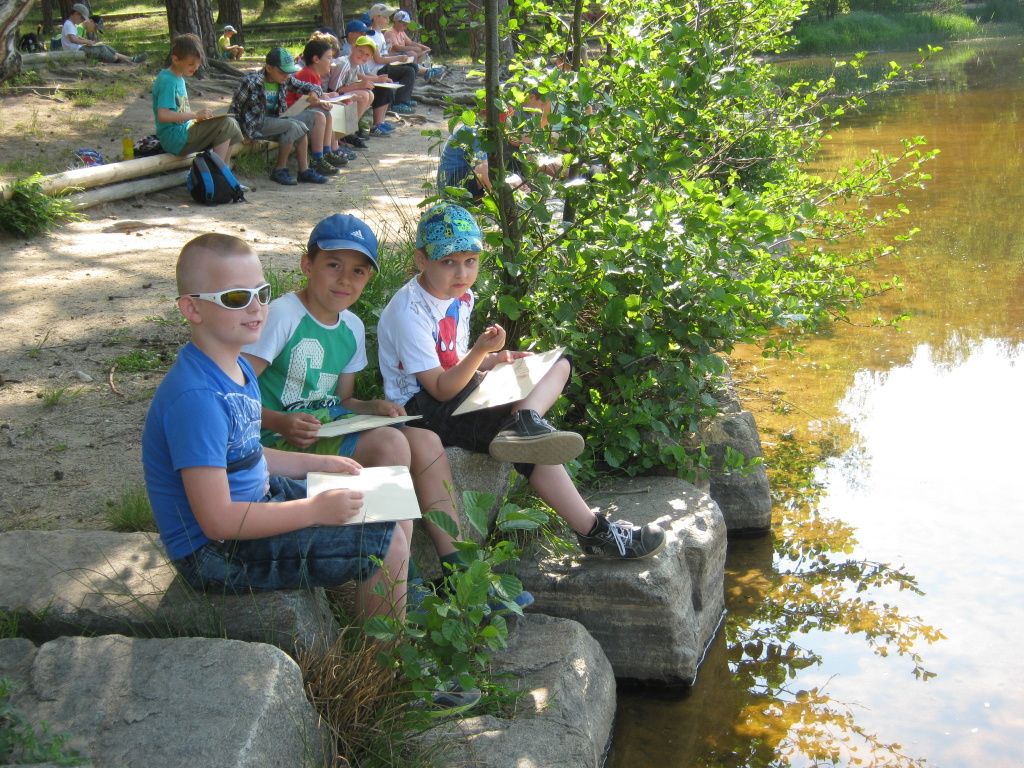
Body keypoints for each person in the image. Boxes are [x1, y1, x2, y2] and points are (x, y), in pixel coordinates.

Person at [141, 233, 411, 622]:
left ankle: (389, 604)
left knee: (391, 498)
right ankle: (387, 655)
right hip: (219, 552)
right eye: (236, 298)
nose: (255, 308)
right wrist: (314, 510)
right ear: (192, 308)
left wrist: (317, 464)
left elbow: (246, 453)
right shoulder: (196, 398)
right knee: (387, 543)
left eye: (262, 293)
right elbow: (218, 520)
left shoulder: (235, 368)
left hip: (256, 503)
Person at [377, 203, 667, 560]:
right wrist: (481, 352)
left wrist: (497, 359)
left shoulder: (459, 296)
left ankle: (526, 421)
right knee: (529, 443)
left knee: (557, 363)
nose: (462, 272)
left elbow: (452, 358)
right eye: (448, 262)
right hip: (423, 408)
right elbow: (439, 387)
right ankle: (594, 531)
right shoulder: (409, 311)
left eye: (471, 261)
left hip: (456, 389)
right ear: (422, 260)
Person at [240, 213, 473, 580]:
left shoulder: (351, 325)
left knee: (426, 441)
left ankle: (458, 568)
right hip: (277, 438)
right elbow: (234, 393)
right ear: (307, 265)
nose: (345, 279)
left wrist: (372, 407)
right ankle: (401, 576)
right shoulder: (282, 316)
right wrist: (279, 421)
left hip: (326, 427)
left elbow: (343, 400)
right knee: (390, 446)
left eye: (359, 271)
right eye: (333, 265)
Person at [229, 47, 330, 185]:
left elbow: (313, 87)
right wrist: (242, 133)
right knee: (294, 126)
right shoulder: (251, 82)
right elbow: (235, 108)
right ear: (269, 68)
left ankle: (304, 170)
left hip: (276, 121)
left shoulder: (285, 80)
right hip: (255, 125)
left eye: (288, 72)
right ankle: (279, 169)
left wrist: (314, 93)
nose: (286, 76)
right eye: (282, 72)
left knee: (306, 122)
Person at [152, 34, 244, 165]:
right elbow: (163, 115)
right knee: (226, 124)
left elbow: (180, 112)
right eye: (190, 64)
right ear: (175, 59)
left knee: (232, 124)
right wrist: (195, 115)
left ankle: (224, 170)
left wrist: (198, 119)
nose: (195, 68)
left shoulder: (179, 78)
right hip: (174, 139)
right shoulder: (168, 81)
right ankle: (217, 171)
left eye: (198, 64)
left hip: (184, 132)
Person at [283, 38, 347, 176]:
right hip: (291, 112)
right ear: (316, 59)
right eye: (328, 57)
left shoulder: (314, 74)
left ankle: (327, 151)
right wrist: (321, 101)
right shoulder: (307, 74)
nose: (331, 61)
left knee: (329, 111)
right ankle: (318, 157)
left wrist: (327, 96)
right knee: (321, 114)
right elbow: (305, 100)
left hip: (299, 111)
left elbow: (314, 96)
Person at [364, 3, 419, 114]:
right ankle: (399, 102)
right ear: (376, 17)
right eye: (385, 17)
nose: (388, 20)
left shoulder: (380, 34)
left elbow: (385, 55)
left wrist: (399, 58)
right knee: (408, 71)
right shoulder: (371, 36)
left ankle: (404, 98)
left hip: (382, 66)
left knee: (413, 66)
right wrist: (397, 58)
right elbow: (378, 59)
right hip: (376, 70)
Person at [61, 3, 144, 64]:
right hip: (75, 50)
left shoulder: (72, 25)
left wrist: (88, 41)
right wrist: (87, 42)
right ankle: (122, 60)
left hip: (78, 48)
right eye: (82, 18)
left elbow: (77, 37)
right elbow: (73, 39)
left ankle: (128, 59)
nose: (83, 21)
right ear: (76, 14)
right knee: (102, 49)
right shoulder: (69, 24)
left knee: (104, 47)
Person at [384, 9, 445, 81]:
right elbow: (396, 48)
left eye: (406, 25)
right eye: (404, 24)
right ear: (397, 22)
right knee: (412, 53)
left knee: (422, 52)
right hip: (393, 58)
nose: (406, 27)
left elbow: (410, 42)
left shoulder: (401, 32)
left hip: (401, 56)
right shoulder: (390, 33)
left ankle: (422, 71)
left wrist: (423, 47)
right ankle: (425, 72)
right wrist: (412, 48)